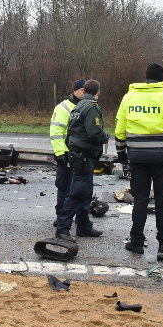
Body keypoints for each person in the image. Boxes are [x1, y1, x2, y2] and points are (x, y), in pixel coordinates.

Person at [114, 63, 163, 262]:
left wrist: (121, 152)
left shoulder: (129, 97)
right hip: (162, 158)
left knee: (140, 199)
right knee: (162, 200)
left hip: (137, 157)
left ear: (146, 78)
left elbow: (120, 127)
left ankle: (136, 242)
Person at [55, 80, 109, 239]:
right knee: (78, 192)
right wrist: (104, 136)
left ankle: (84, 226)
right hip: (84, 155)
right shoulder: (91, 107)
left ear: (84, 90)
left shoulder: (77, 106)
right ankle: (63, 228)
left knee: (86, 192)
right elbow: (94, 133)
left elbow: (71, 131)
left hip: (77, 154)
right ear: (98, 92)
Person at [50, 79, 87, 232]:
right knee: (64, 188)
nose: (84, 94)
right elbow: (56, 132)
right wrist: (60, 153)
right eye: (82, 91)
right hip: (66, 154)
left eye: (87, 91)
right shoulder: (63, 107)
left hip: (79, 155)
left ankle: (80, 221)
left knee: (80, 189)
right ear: (75, 91)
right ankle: (61, 218)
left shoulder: (85, 107)